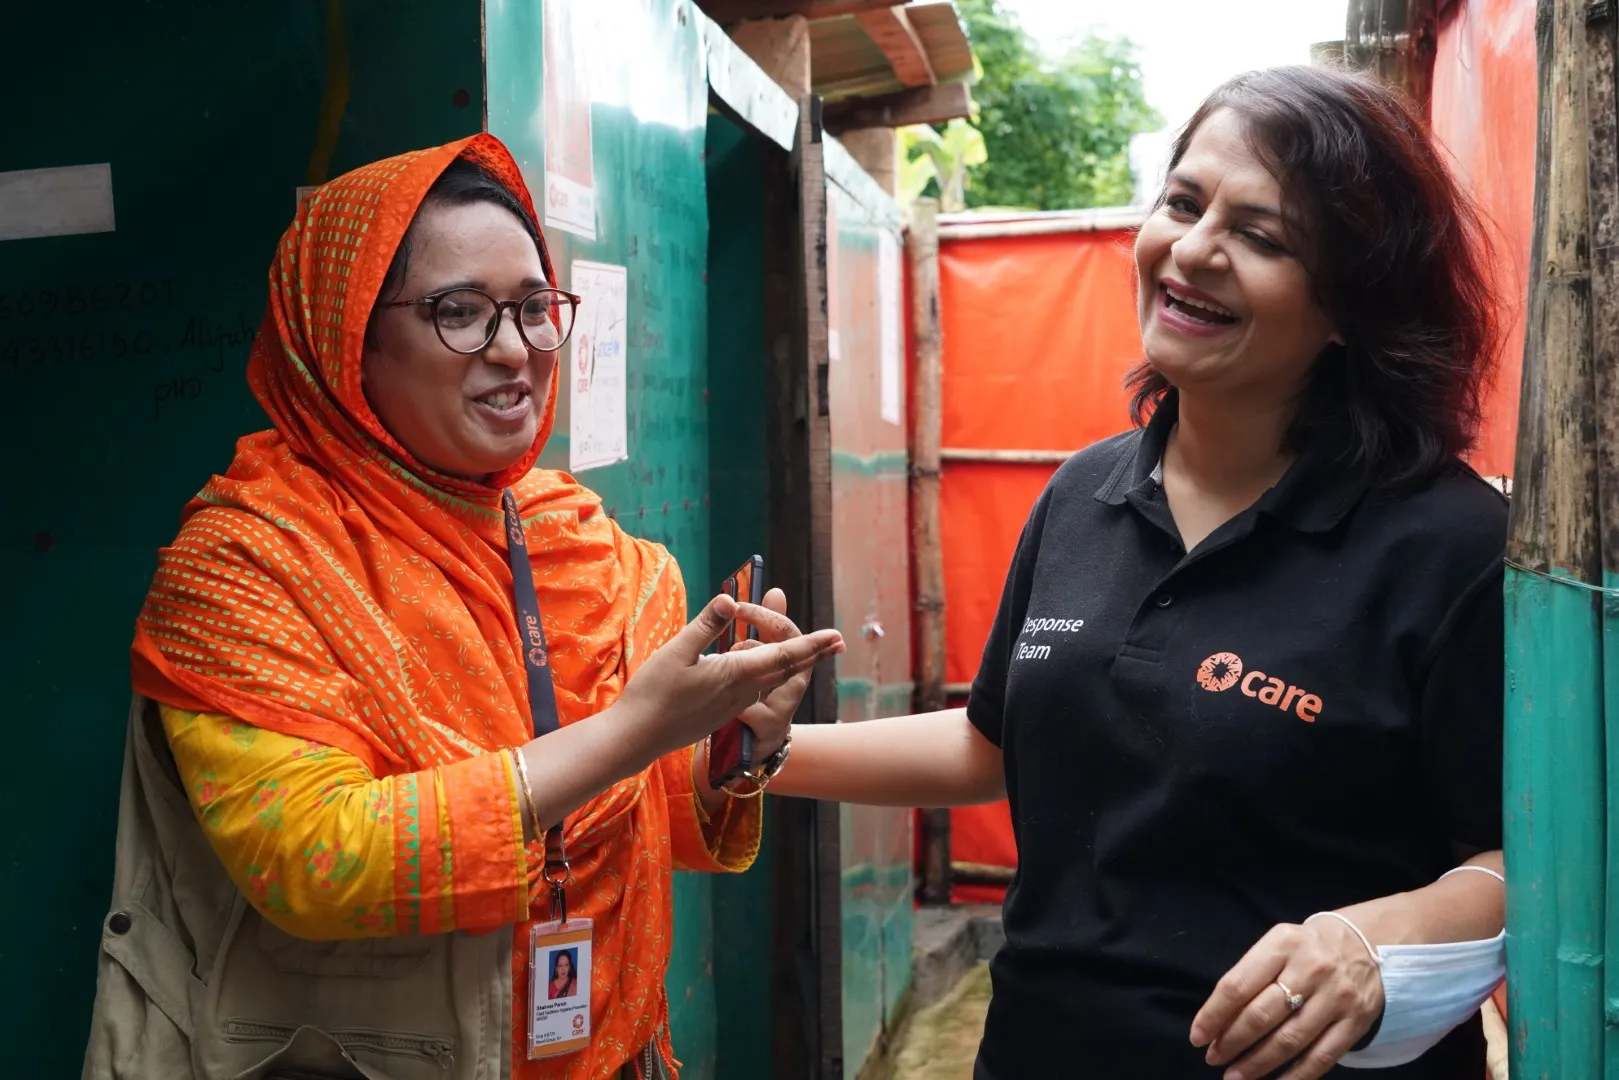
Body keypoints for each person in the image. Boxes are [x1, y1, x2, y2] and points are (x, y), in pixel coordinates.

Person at [771, 66, 1508, 1080]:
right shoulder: (1083, 494)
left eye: (1260, 237)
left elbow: (1532, 858)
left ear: (1348, 305)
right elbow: (995, 741)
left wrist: (1372, 939)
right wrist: (755, 751)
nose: (1193, 251)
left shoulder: (1452, 545)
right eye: (1182, 203)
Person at [80, 134, 843, 1080]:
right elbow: (318, 862)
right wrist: (639, 727)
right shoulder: (247, 563)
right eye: (460, 313)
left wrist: (736, 748)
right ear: (347, 331)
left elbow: (649, 818)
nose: (515, 350)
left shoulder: (587, 543)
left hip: (615, 1053)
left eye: (533, 308)